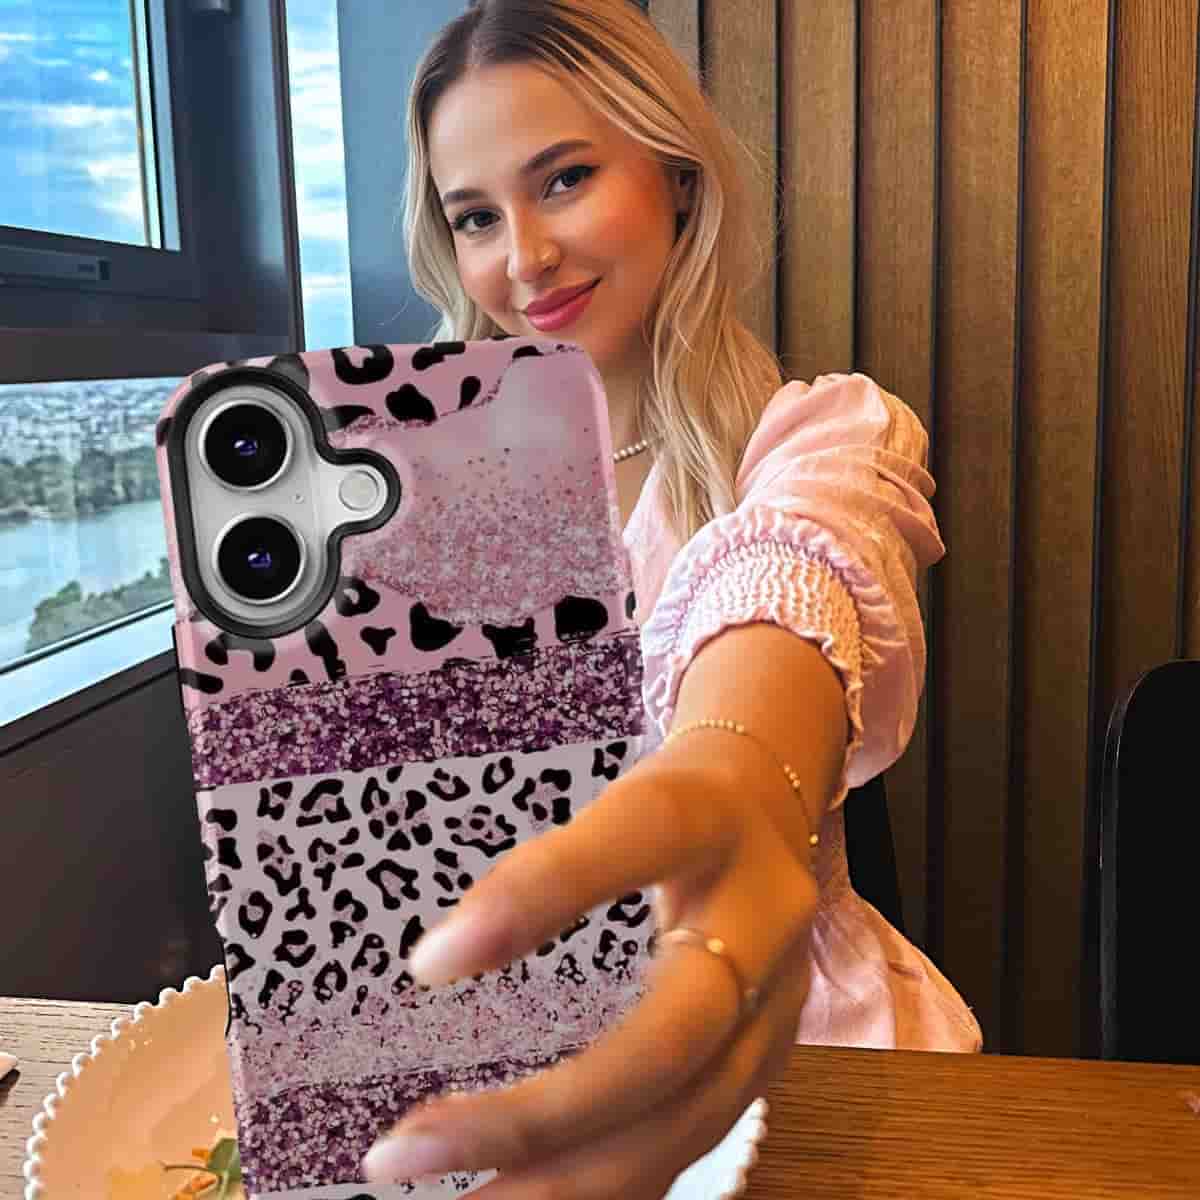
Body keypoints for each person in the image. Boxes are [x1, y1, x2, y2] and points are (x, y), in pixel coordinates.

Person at [364, 0, 982, 1192]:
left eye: (565, 179)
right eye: (476, 216)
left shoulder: (814, 439)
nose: (524, 257)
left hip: (802, 1049)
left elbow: (791, 570)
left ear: (678, 180)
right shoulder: (425, 500)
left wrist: (734, 772)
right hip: (500, 1056)